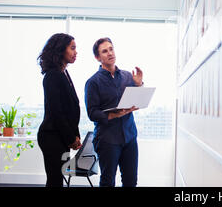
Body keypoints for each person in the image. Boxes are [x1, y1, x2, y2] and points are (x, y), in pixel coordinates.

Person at [84, 37, 143, 187]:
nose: (110, 53)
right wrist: (112, 114)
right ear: (98, 58)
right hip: (107, 140)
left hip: (129, 137)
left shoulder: (127, 76)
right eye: (105, 51)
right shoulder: (93, 82)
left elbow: (137, 100)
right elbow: (92, 113)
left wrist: (139, 85)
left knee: (131, 181)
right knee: (108, 182)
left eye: (111, 49)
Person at [37, 33, 81, 187]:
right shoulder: (52, 76)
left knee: (58, 180)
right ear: (61, 49)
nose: (76, 52)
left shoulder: (63, 73)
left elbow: (71, 109)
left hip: (61, 137)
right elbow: (57, 113)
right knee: (55, 181)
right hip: (51, 137)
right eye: (72, 48)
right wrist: (71, 138)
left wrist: (75, 135)